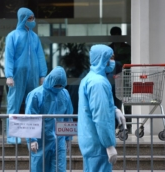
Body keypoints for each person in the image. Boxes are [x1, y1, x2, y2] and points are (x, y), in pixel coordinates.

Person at [78, 44, 126, 172]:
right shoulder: (98, 82)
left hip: (90, 141)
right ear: (102, 59)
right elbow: (100, 116)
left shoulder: (89, 79)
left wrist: (114, 109)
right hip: (98, 144)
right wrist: (108, 144)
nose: (112, 61)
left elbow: (95, 107)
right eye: (110, 58)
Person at [5, 7, 47, 144]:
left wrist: (42, 75)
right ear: (22, 19)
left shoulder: (35, 37)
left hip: (33, 75)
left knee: (33, 103)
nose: (32, 21)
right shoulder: (13, 36)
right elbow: (9, 57)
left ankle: (32, 135)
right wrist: (9, 75)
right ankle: (12, 135)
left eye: (33, 18)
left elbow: (40, 56)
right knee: (14, 104)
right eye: (29, 18)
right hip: (17, 75)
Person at [25, 66, 73, 172]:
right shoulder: (36, 94)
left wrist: (68, 138)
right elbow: (30, 118)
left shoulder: (64, 94)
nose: (58, 87)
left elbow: (68, 117)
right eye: (56, 85)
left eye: (61, 85)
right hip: (40, 140)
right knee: (39, 167)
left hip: (59, 140)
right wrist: (32, 139)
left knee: (59, 168)